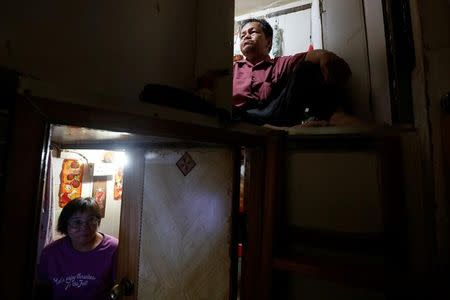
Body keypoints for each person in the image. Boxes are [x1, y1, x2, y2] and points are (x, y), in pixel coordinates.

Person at [233, 18, 366, 128]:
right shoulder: (232, 68)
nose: (246, 37)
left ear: (268, 42)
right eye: (243, 35)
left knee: (307, 67)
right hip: (241, 117)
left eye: (253, 32)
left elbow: (312, 56)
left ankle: (331, 116)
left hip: (275, 114)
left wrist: (326, 57)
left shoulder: (280, 63)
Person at [36, 197, 118, 300]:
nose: (85, 227)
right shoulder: (50, 252)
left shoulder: (113, 248)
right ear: (66, 224)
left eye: (91, 220)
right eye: (77, 222)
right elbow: (42, 290)